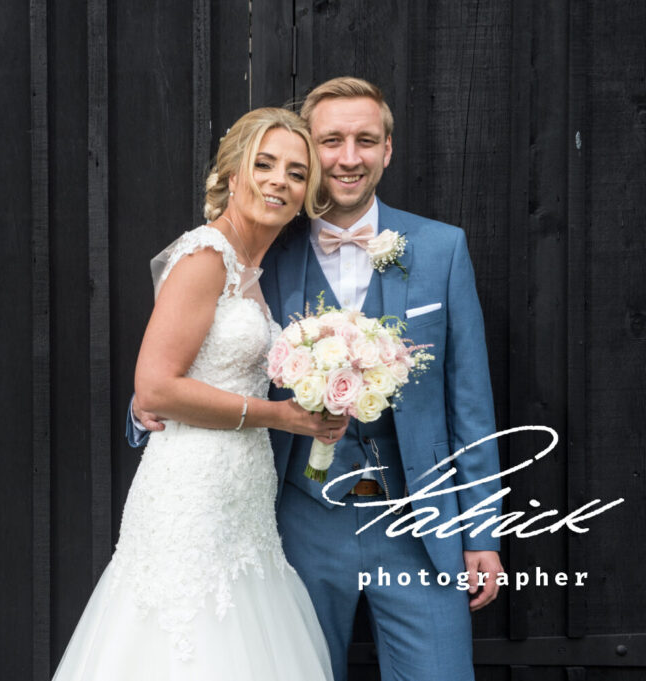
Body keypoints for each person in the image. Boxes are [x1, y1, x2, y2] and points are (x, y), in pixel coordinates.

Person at [131, 77, 505, 681]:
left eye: (365, 139)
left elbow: (471, 404)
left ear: (388, 149)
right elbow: (198, 341)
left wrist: (482, 529)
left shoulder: (442, 249)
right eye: (331, 140)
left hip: (420, 524)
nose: (348, 157)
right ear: (312, 149)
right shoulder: (264, 247)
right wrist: (147, 400)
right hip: (297, 522)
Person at [53, 107, 338, 680]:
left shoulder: (254, 269)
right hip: (193, 491)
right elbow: (155, 385)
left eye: (297, 172)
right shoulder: (207, 254)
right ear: (233, 175)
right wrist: (278, 416)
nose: (280, 180)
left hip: (243, 499)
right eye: (264, 164)